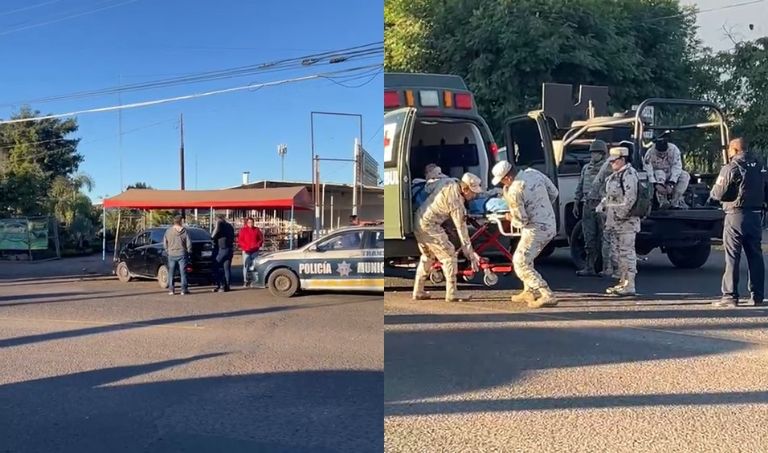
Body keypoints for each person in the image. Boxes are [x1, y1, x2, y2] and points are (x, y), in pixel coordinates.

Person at [709, 138, 768, 307]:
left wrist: (713, 196)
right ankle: (757, 296)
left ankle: (729, 296)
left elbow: (719, 192)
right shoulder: (761, 167)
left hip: (735, 215)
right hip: (756, 216)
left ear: (734, 150)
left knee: (733, 256)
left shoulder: (731, 167)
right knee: (755, 256)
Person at [492, 160, 559, 308]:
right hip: (549, 221)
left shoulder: (515, 190)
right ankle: (529, 290)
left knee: (520, 262)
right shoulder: (533, 173)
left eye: (502, 181)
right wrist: (541, 207)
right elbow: (554, 192)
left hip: (535, 228)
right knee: (527, 257)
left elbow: (520, 220)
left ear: (507, 177)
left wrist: (509, 216)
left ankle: (546, 293)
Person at [412, 172, 483, 302]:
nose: (474, 196)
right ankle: (452, 293)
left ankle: (418, 291)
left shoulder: (449, 181)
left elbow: (428, 187)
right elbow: (462, 231)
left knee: (427, 256)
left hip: (418, 220)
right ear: (465, 189)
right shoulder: (456, 202)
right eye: (473, 192)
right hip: (430, 226)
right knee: (449, 255)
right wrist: (470, 254)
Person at [596, 147, 640, 296]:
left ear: (622, 160)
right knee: (619, 255)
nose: (611, 164)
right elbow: (612, 196)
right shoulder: (616, 176)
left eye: (614, 161)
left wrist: (620, 215)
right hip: (616, 223)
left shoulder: (629, 174)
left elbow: (630, 198)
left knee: (627, 254)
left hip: (626, 223)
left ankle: (630, 285)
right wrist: (602, 206)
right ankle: (623, 282)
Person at [573, 140, 609, 277]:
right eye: (592, 153)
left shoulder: (607, 168)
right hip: (587, 204)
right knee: (588, 237)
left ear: (602, 154)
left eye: (597, 153)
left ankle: (606, 267)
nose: (594, 155)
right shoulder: (586, 168)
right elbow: (580, 186)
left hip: (601, 205)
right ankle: (589, 267)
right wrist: (577, 201)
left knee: (604, 238)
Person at [642, 137, 690, 209]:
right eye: (659, 153)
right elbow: (648, 170)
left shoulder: (674, 150)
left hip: (670, 172)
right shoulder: (649, 153)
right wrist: (656, 184)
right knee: (659, 173)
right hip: (657, 175)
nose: (662, 155)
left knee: (685, 176)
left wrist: (671, 183)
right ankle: (663, 201)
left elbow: (677, 166)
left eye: (664, 153)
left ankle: (675, 201)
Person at [163, 215, 193, 295]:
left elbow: (165, 243)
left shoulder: (168, 231)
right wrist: (189, 251)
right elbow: (189, 243)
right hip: (182, 254)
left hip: (171, 254)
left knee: (171, 272)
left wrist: (167, 251)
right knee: (183, 272)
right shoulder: (185, 231)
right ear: (180, 221)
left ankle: (171, 290)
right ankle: (183, 289)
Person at [237, 217, 263, 288]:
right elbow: (240, 240)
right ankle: (245, 281)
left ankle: (255, 280)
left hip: (255, 250)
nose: (250, 224)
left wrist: (257, 245)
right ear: (246, 223)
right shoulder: (243, 230)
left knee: (254, 266)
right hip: (246, 251)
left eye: (252, 222)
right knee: (246, 266)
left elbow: (261, 239)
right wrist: (245, 247)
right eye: (249, 222)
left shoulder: (256, 229)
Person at [211, 214, 235, 292]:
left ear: (218, 219)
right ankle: (227, 286)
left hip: (222, 249)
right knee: (226, 268)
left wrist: (211, 238)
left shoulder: (220, 224)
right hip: (229, 249)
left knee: (215, 266)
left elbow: (214, 234)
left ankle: (221, 285)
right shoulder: (230, 226)